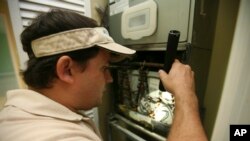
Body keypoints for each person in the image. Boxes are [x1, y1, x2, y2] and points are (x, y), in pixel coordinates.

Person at [0, 9, 207, 141]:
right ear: (67, 70)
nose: (109, 79)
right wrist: (185, 94)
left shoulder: (15, 114)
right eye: (104, 68)